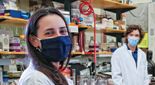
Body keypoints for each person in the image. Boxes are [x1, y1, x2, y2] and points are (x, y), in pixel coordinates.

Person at [18, 8, 73, 85]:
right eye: (49, 33)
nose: (59, 37)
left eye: (62, 31)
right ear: (34, 40)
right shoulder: (35, 79)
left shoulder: (52, 73)